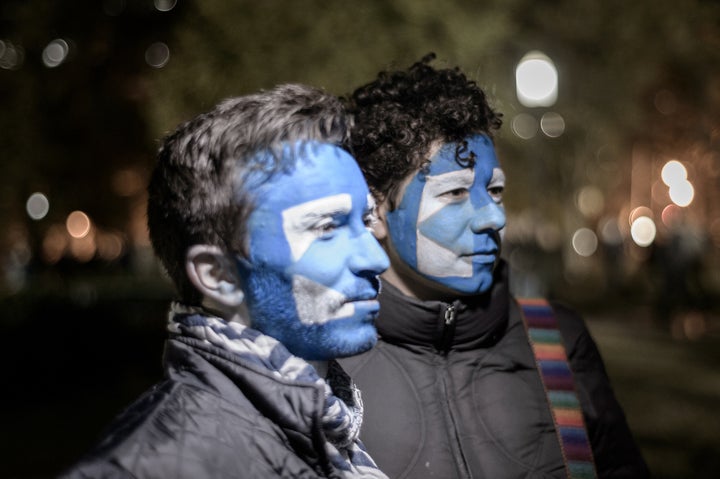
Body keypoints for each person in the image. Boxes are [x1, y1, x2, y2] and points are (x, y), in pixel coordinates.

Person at [338, 54, 650, 479]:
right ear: (375, 211)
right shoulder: (323, 366)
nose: (494, 217)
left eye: (495, 190)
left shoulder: (557, 343)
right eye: (455, 193)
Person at [60, 84, 391, 479]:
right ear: (218, 276)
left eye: (366, 221)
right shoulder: (154, 467)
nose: (375, 258)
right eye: (326, 228)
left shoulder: (326, 424)